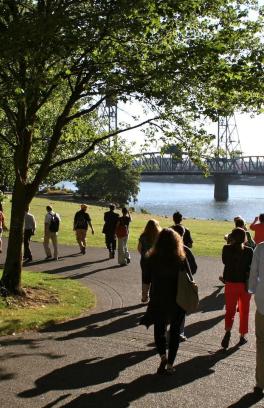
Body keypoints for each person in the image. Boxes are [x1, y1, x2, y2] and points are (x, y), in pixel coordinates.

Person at [140, 228, 186, 375]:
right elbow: (191, 275)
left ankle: (162, 356)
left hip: (158, 298)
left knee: (159, 329)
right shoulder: (181, 258)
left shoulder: (151, 258)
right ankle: (171, 364)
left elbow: (146, 279)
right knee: (175, 331)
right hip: (177, 299)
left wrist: (144, 295)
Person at [221, 227, 253, 349]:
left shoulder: (226, 248)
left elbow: (225, 262)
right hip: (244, 285)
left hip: (230, 284)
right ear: (244, 238)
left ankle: (228, 331)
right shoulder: (249, 251)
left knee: (230, 311)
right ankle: (242, 335)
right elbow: (250, 266)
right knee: (244, 311)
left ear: (232, 237)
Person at [173, 224, 197, 341]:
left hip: (166, 282)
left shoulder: (163, 248)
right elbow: (193, 267)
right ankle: (179, 332)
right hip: (181, 282)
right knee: (181, 306)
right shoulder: (185, 250)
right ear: (182, 235)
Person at [248, 242, 264, 396]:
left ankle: (260, 382)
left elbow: (254, 273)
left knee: (261, 344)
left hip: (262, 301)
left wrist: (251, 289)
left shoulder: (260, 248)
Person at [138, 219, 162, 302]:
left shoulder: (143, 236)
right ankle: (153, 298)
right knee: (155, 280)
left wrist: (144, 255)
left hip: (145, 261)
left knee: (145, 279)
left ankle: (144, 297)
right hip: (156, 261)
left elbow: (139, 248)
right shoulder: (159, 236)